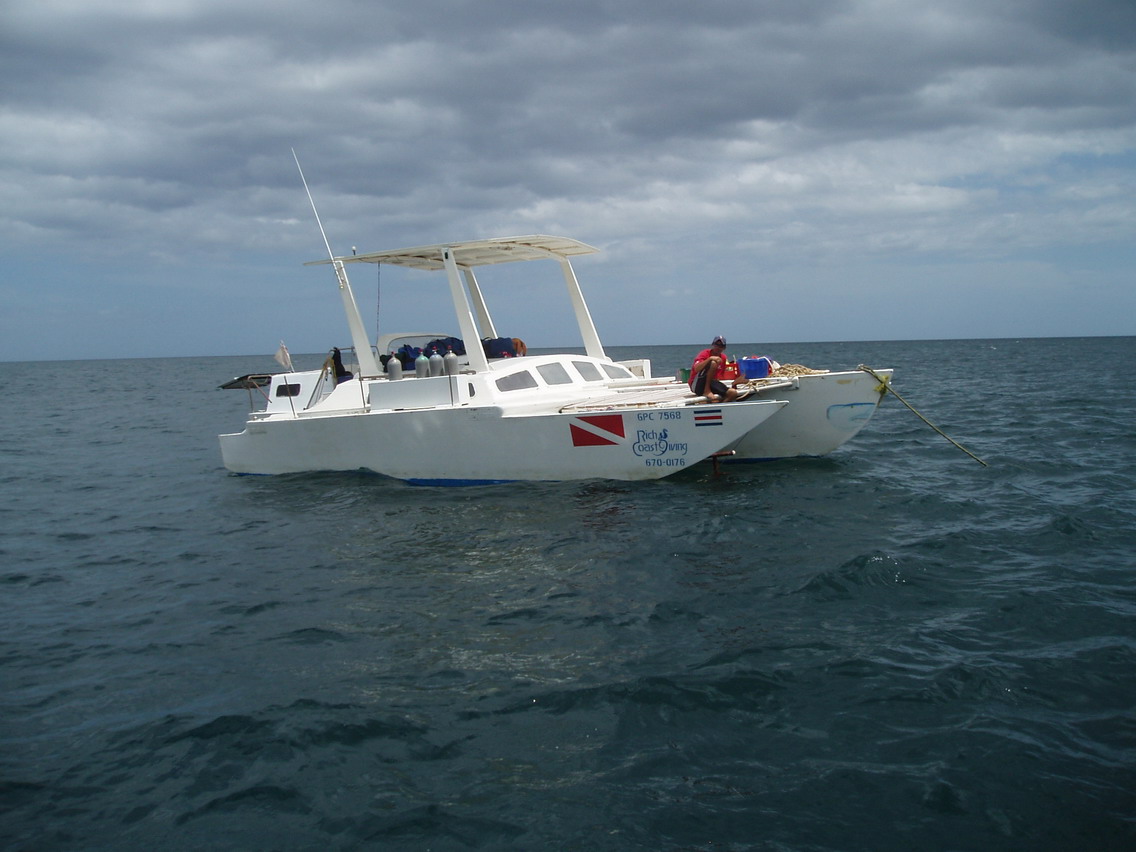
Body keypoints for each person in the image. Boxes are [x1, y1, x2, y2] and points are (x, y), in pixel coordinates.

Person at [689, 335, 751, 403]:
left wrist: (734, 384)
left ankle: (720, 406)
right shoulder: (704, 354)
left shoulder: (723, 358)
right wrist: (710, 359)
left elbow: (718, 377)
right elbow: (696, 369)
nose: (718, 347)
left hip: (711, 383)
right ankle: (707, 391)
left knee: (732, 393)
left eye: (721, 345)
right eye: (717, 345)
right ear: (713, 345)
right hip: (697, 384)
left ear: (724, 348)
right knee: (713, 363)